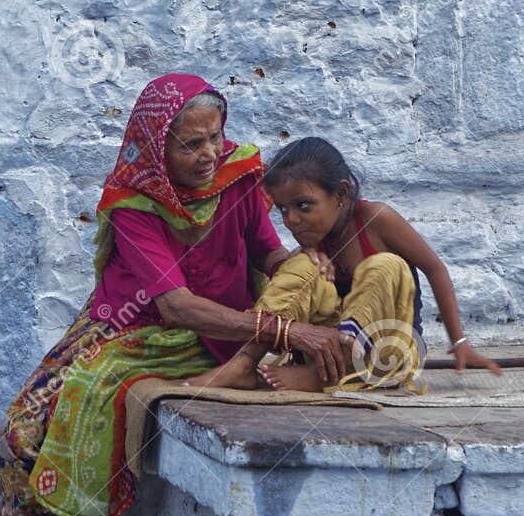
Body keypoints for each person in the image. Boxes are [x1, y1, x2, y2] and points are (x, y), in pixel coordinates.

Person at [0, 74, 350, 516]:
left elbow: (266, 253)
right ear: (157, 145)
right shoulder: (133, 202)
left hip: (231, 331)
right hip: (131, 329)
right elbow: (175, 307)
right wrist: (287, 333)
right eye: (191, 144)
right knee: (20, 436)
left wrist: (299, 267)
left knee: (36, 440)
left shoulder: (239, 177)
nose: (208, 154)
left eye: (214, 138)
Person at [203, 136, 503, 393]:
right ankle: (244, 363)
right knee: (299, 267)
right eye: (283, 209)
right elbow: (297, 292)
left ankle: (326, 374)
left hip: (385, 353)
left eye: (303, 206)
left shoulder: (376, 219)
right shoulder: (315, 242)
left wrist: (459, 341)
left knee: (385, 265)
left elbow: (435, 268)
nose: (291, 219)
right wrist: (300, 264)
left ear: (342, 194)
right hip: (325, 350)